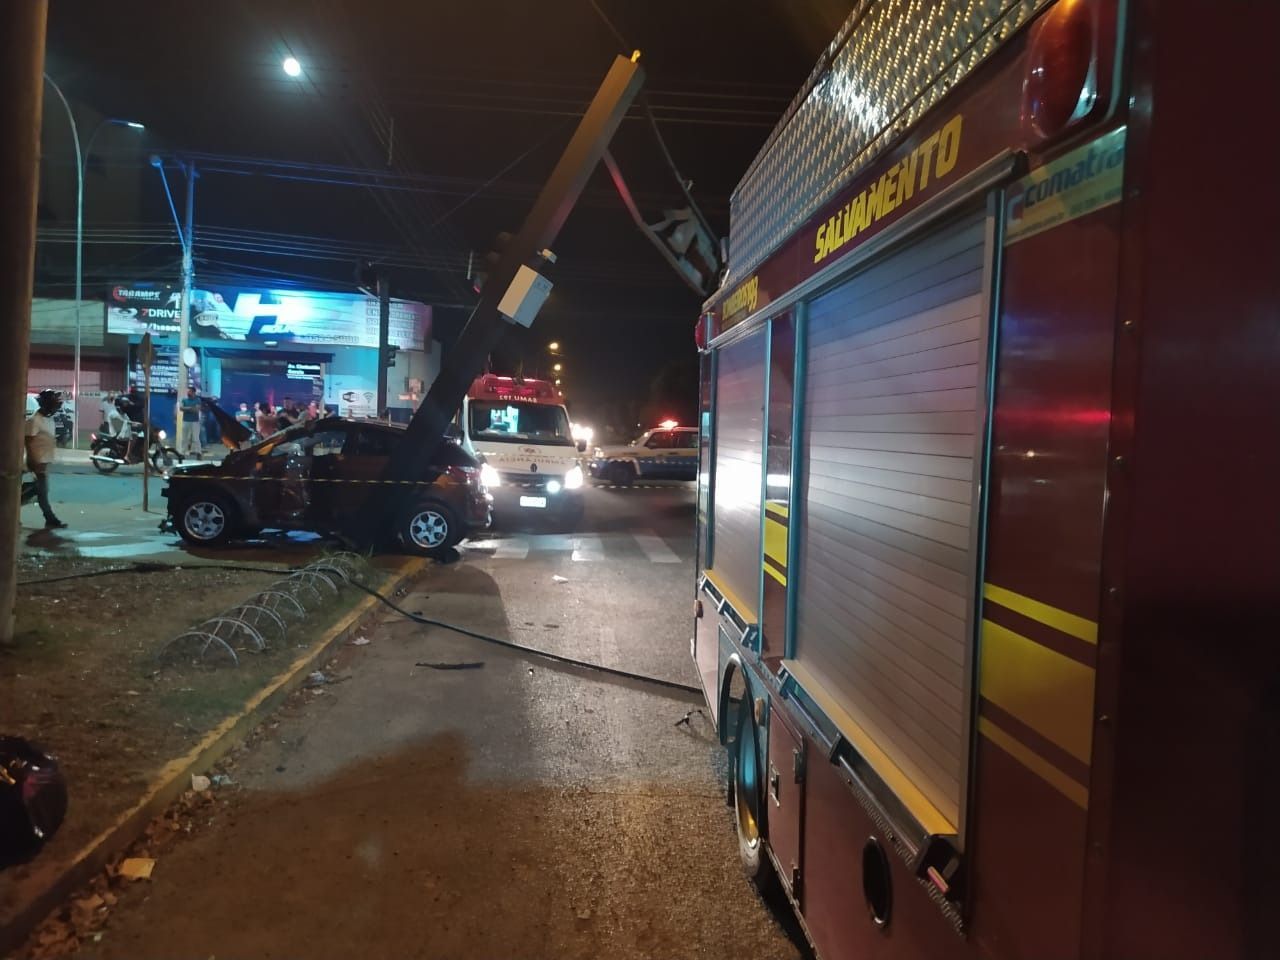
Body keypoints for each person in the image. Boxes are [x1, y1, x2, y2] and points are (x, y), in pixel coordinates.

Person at [22, 390, 66, 529]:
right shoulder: (35, 420)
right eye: (54, 405)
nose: (55, 408)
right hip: (35, 462)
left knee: (41, 491)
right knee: (40, 491)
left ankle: (50, 518)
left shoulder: (49, 419)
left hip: (43, 462)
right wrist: (32, 461)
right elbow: (28, 441)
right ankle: (50, 518)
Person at [178, 386, 203, 459]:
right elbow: (181, 408)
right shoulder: (184, 400)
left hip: (195, 422)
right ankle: (182, 453)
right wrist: (191, 408)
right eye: (188, 391)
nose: (188, 393)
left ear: (194, 392)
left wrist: (186, 408)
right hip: (185, 421)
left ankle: (199, 453)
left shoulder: (198, 400)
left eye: (190, 391)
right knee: (184, 438)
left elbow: (196, 410)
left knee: (196, 438)